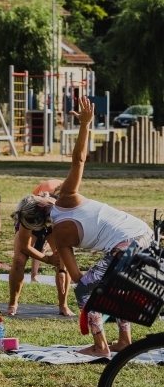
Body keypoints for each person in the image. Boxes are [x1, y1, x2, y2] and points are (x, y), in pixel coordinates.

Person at [47, 98, 153, 357]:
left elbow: (79, 280)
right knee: (112, 288)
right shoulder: (64, 200)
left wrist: (84, 124)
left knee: (88, 289)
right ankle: (124, 341)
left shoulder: (59, 235)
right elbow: (78, 161)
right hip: (146, 236)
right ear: (44, 201)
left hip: (127, 244)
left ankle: (100, 346)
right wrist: (84, 125)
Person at [5, 179, 68, 316]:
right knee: (18, 260)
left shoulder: (59, 212)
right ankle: (12, 304)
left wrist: (62, 269)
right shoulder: (29, 212)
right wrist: (47, 259)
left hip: (52, 224)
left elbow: (65, 251)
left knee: (63, 259)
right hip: (32, 223)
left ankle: (63, 305)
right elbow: (25, 246)